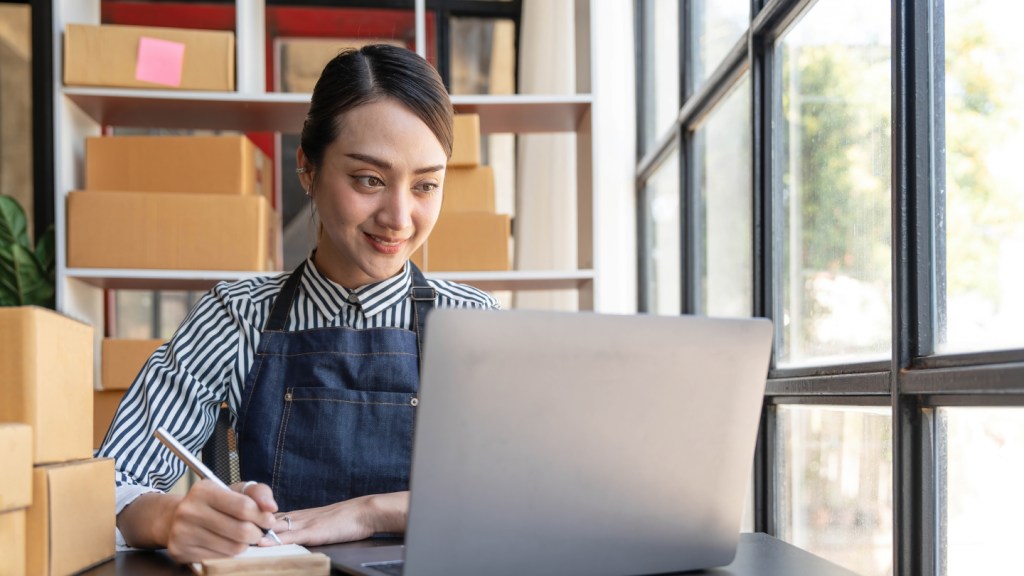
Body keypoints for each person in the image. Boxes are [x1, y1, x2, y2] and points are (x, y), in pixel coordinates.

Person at [97, 44, 500, 563]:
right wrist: (169, 517)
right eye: (369, 180)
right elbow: (111, 481)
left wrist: (368, 511)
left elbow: (513, 501)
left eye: (425, 185)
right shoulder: (237, 315)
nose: (400, 217)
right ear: (307, 168)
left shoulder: (474, 323)